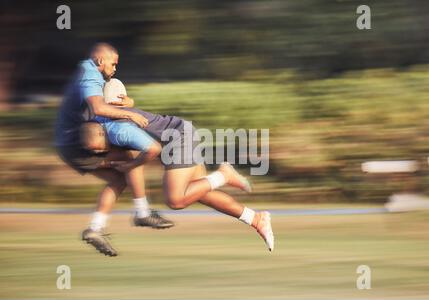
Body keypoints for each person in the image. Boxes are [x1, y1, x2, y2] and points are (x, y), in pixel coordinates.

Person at [89, 77, 275, 253]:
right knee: (200, 193)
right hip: (181, 132)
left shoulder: (118, 125)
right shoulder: (114, 118)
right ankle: (255, 219)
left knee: (176, 200)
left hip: (178, 138)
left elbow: (152, 150)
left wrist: (130, 166)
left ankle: (224, 175)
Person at [54, 43, 174, 257]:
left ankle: (95, 229)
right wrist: (131, 114)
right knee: (131, 158)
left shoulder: (87, 72)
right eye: (113, 63)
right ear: (100, 60)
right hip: (78, 142)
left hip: (67, 145)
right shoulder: (90, 73)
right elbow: (99, 108)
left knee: (119, 179)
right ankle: (142, 212)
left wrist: (128, 103)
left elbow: (101, 104)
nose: (115, 68)